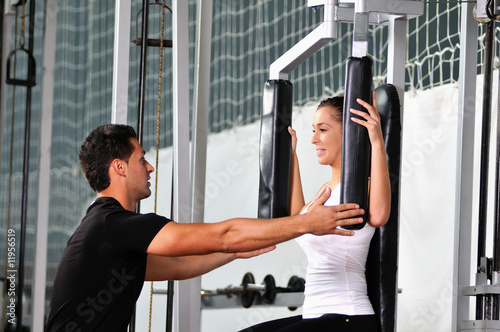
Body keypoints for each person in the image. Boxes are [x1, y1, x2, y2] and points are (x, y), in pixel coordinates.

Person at [45, 124, 366, 331]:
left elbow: (178, 266)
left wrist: (235, 253)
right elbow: (223, 235)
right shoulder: (113, 225)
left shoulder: (105, 229)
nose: (150, 166)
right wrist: (306, 223)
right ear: (119, 167)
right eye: (141, 159)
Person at [241, 92, 391, 332]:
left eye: (322, 129)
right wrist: (291, 156)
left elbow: (380, 215)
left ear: (348, 134)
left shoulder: (362, 187)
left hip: (348, 317)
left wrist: (375, 139)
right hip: (315, 316)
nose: (314, 139)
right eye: (314, 130)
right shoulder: (326, 191)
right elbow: (297, 220)